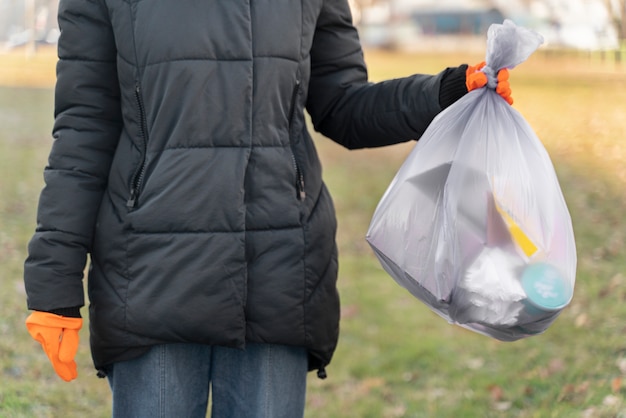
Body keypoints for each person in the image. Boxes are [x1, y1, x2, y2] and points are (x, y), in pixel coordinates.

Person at [23, 1, 512, 416]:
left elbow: (341, 104)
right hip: (150, 274)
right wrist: (54, 281)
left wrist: (445, 93)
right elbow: (85, 129)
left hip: (277, 268)